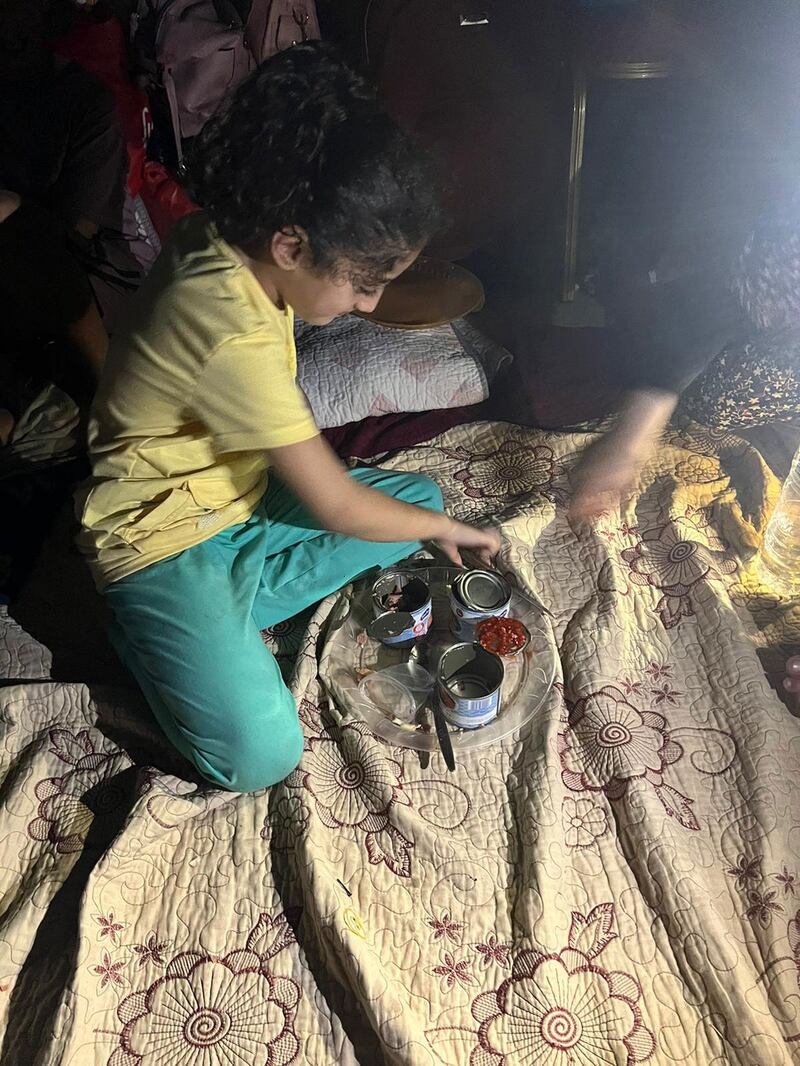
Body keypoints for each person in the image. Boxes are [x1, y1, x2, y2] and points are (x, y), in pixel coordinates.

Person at [76, 42, 501, 793]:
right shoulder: (225, 327)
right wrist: (447, 534)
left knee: (421, 502)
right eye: (365, 284)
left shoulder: (221, 235)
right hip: (159, 541)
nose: (369, 306)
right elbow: (334, 502)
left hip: (235, 498)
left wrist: (431, 524)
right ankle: (159, 628)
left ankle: (230, 608)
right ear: (290, 243)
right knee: (264, 757)